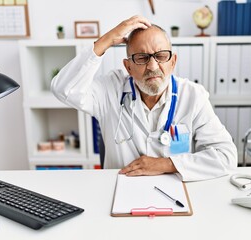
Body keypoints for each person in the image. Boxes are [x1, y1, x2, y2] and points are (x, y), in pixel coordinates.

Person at [51, 15, 237, 181]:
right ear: (128, 66)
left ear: (173, 62)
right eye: (141, 58)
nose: (153, 66)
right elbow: (64, 89)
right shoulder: (110, 89)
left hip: (176, 194)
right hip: (119, 190)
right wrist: (106, 40)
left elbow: (227, 157)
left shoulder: (193, 96)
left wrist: (165, 164)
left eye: (161, 56)